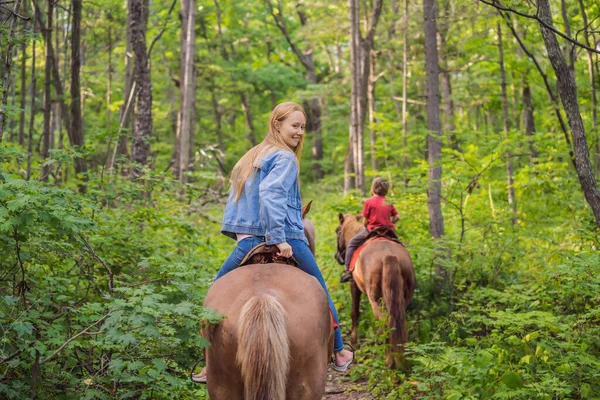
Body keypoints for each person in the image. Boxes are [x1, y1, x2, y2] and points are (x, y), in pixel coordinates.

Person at [193, 102, 353, 383]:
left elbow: (244, 200)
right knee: (321, 289)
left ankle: (208, 361)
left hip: (247, 242)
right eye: (294, 125)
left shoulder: (253, 156)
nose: (300, 132)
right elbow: (270, 194)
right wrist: (280, 239)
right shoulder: (285, 158)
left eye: (303, 127)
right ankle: (339, 351)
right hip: (287, 236)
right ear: (276, 124)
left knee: (213, 298)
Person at [340, 177, 399, 283]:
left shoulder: (369, 202)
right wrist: (390, 223)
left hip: (372, 230)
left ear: (373, 188)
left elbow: (365, 221)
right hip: (388, 230)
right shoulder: (388, 202)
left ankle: (348, 271)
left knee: (352, 244)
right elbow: (397, 217)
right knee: (400, 245)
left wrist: (366, 225)